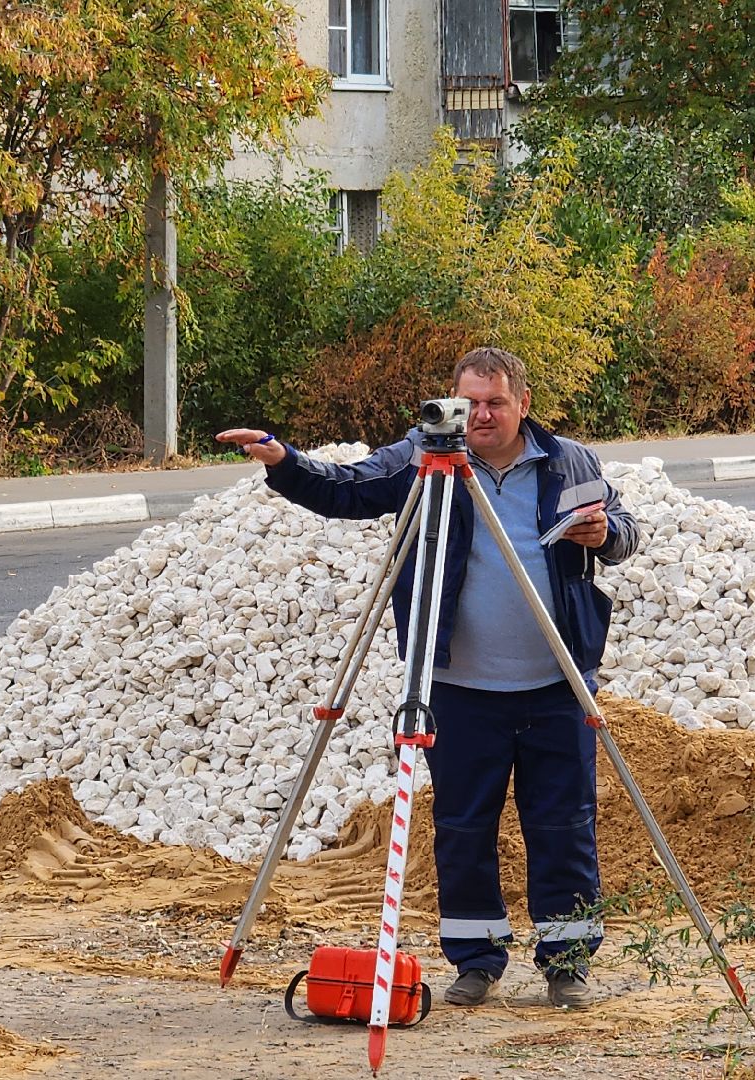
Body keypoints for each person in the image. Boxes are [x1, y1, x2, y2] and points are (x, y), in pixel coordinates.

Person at [217, 346, 639, 1009]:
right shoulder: (423, 457)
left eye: (496, 403)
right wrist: (283, 462)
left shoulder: (568, 461)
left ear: (523, 403)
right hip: (461, 689)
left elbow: (625, 531)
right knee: (464, 831)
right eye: (469, 402)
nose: (481, 416)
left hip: (558, 685)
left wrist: (606, 532)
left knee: (564, 828)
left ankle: (568, 964)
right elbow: (344, 489)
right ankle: (476, 961)